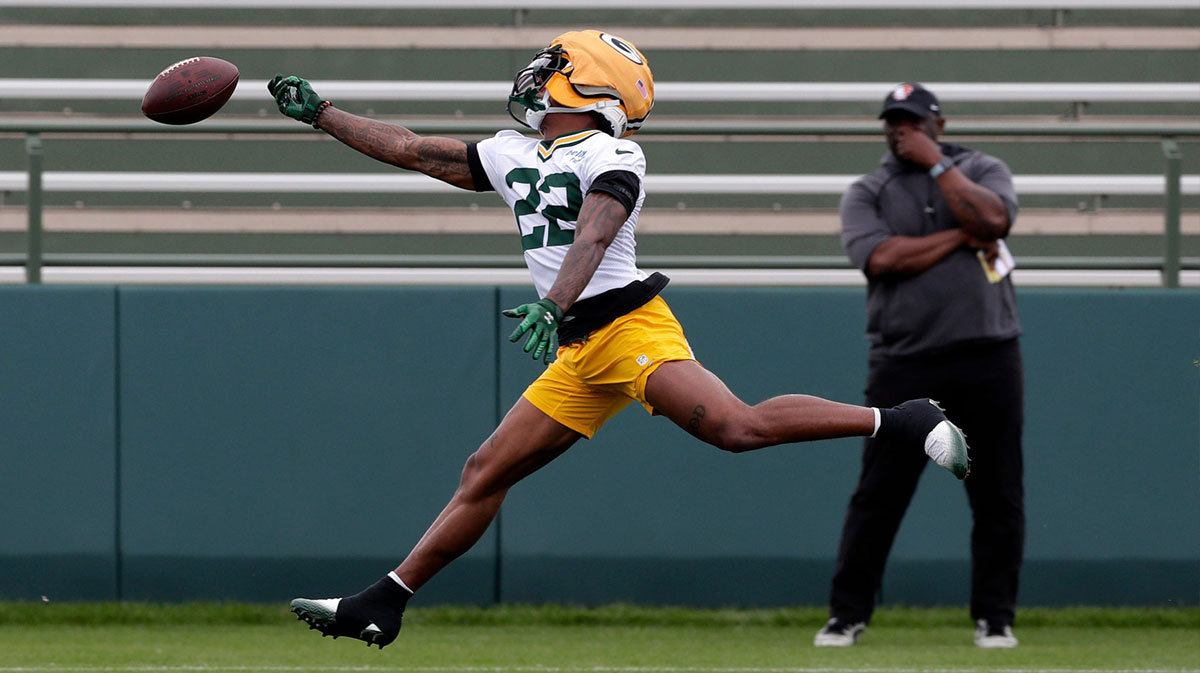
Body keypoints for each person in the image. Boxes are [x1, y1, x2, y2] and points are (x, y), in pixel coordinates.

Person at [268, 34, 969, 650]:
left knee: (736, 426)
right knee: (486, 470)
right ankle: (383, 602)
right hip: (579, 343)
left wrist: (553, 300)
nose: (538, 74)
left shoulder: (615, 152)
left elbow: (595, 230)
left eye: (554, 65)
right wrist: (325, 115)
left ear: (589, 81)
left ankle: (901, 418)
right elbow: (416, 150)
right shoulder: (515, 150)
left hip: (623, 325)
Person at [814, 83, 1024, 649]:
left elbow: (996, 220)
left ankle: (995, 618)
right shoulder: (869, 189)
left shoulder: (982, 168)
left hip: (988, 353)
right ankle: (846, 615)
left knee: (997, 491)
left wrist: (938, 169)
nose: (902, 130)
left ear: (938, 123)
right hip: (904, 361)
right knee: (879, 493)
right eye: (893, 121)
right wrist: (964, 235)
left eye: (913, 120)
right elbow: (881, 258)